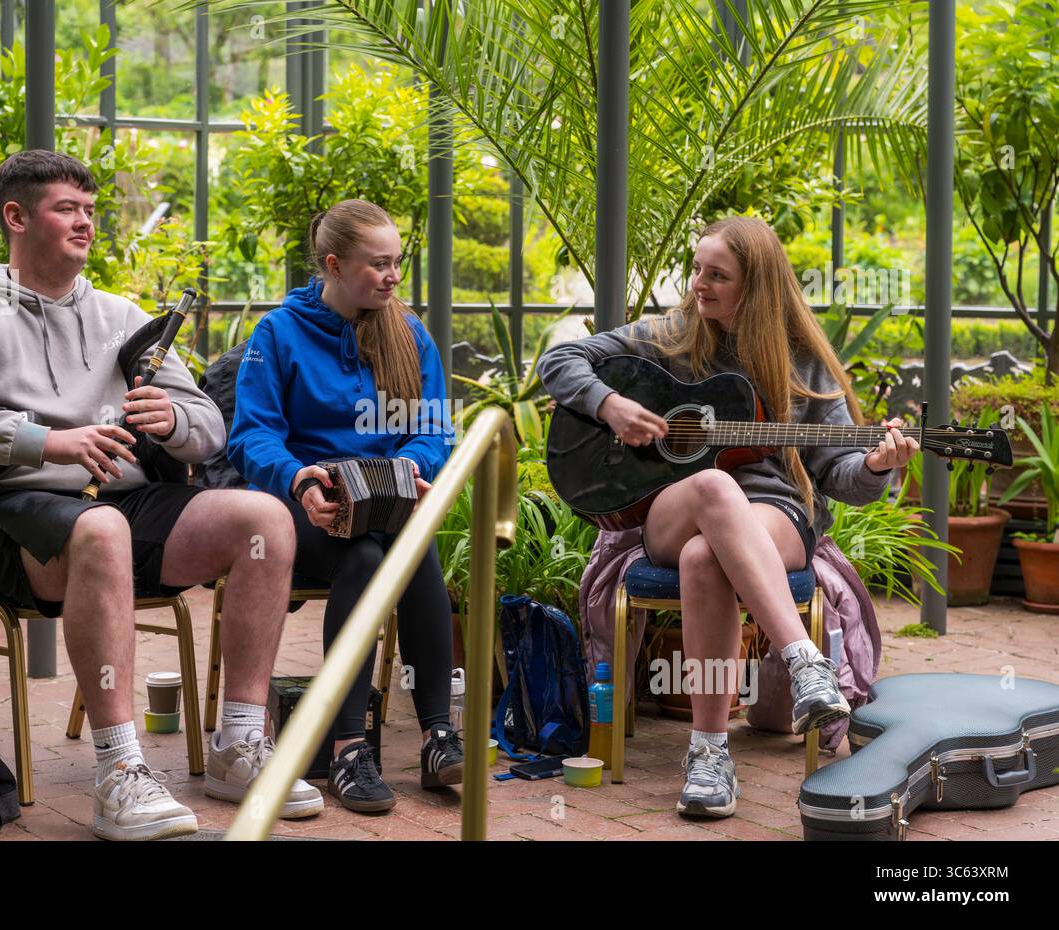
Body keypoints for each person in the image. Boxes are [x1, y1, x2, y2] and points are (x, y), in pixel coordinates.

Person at [0, 150, 324, 840]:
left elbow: (210, 429)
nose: (85, 222)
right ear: (17, 217)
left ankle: (239, 748)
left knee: (263, 519)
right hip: (9, 518)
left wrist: (174, 421)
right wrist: (46, 442)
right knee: (101, 529)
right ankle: (120, 773)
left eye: (91, 210)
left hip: (120, 508)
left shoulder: (125, 317)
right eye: (67, 208)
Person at [536, 215, 918, 819]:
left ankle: (709, 754)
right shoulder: (668, 336)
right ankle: (806, 665)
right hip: (673, 507)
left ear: (756, 286)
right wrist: (609, 404)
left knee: (703, 558)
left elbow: (844, 477)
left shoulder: (800, 361)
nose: (698, 284)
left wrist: (875, 463)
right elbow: (559, 362)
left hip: (773, 511)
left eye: (717, 275)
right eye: (696, 269)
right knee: (712, 485)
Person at [227, 199, 461, 814]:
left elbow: (434, 430)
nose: (392, 277)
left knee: (410, 544)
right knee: (362, 556)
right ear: (333, 264)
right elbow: (251, 435)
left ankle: (439, 735)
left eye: (397, 264)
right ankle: (348, 749)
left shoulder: (410, 335)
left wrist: (415, 467)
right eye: (377, 265)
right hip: (303, 511)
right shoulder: (277, 333)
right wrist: (298, 481)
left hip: (388, 501)